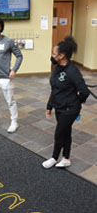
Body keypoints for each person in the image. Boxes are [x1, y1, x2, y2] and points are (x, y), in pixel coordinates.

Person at [42, 36, 90, 169]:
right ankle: (66, 158)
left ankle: (54, 157)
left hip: (70, 109)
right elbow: (55, 89)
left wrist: (76, 103)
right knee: (65, 132)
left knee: (59, 133)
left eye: (54, 54)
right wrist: (49, 106)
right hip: (59, 107)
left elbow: (84, 91)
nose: (52, 56)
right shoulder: (57, 68)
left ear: (62, 55)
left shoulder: (72, 71)